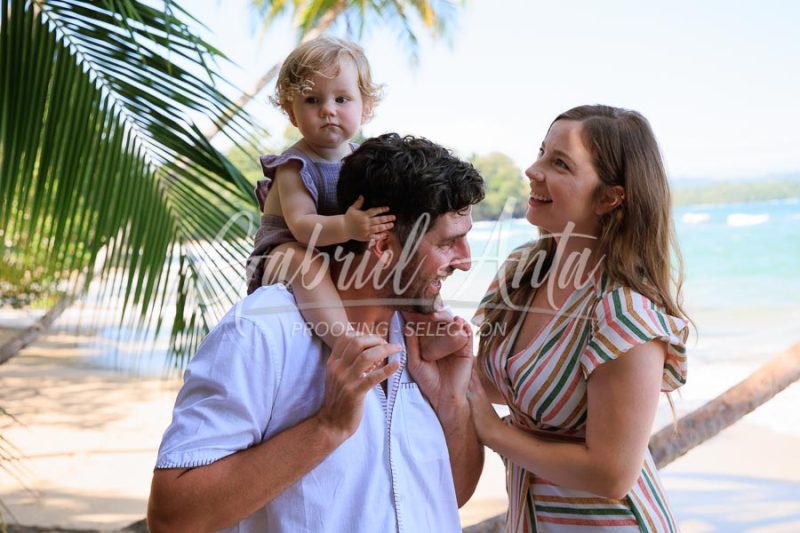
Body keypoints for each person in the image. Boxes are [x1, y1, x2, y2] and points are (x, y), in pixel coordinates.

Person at [148, 133, 486, 532]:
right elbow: (172, 517)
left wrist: (451, 402)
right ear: (382, 243)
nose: (465, 262)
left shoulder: (428, 340)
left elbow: (453, 493)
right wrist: (327, 427)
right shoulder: (262, 331)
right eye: (449, 243)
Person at [468, 105, 690, 532]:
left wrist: (493, 433)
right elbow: (501, 383)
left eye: (560, 163)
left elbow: (611, 475)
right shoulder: (522, 274)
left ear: (609, 197)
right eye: (541, 153)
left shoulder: (624, 314)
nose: (533, 170)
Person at [245, 35, 465, 359]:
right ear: (291, 112)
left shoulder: (362, 158)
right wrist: (348, 227)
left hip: (338, 244)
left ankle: (432, 326)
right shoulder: (293, 166)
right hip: (285, 251)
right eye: (312, 101)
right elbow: (303, 226)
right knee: (305, 262)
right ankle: (345, 342)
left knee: (408, 258)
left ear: (366, 107)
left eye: (342, 99)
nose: (328, 111)